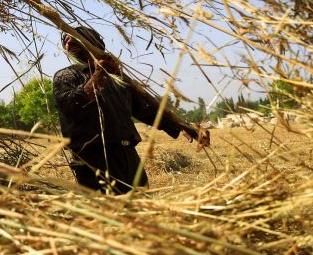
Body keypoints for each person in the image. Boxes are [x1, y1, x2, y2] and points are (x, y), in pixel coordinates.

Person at [53, 25, 206, 194]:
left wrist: (182, 125)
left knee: (141, 207)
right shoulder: (66, 75)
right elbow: (71, 105)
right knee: (108, 212)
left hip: (127, 153)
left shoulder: (117, 78)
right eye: (66, 40)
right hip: (93, 157)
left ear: (95, 43)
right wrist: (99, 76)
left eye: (76, 37)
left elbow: (145, 110)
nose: (68, 40)